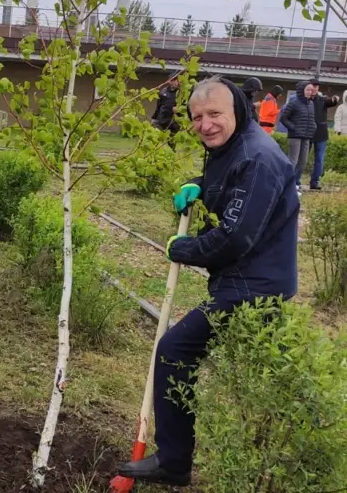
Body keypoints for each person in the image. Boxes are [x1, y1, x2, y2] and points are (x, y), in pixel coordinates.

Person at [116, 75, 299, 486]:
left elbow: (235, 237)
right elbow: (231, 186)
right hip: (247, 278)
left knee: (175, 349)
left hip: (255, 286)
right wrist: (199, 186)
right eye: (197, 117)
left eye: (214, 114)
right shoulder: (233, 146)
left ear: (237, 109)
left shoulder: (258, 159)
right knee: (253, 373)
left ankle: (174, 462)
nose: (205, 124)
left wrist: (184, 249)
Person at [279, 80, 317, 196]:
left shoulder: (311, 104)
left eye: (311, 90)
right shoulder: (294, 102)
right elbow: (283, 118)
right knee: (293, 161)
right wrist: (293, 128)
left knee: (303, 162)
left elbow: (311, 119)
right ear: (302, 90)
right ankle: (285, 185)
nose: (310, 92)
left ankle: (294, 183)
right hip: (295, 136)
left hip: (306, 136)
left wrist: (313, 127)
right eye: (308, 90)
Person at [308, 79, 340, 190]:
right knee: (302, 159)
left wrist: (335, 98)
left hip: (321, 134)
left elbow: (331, 101)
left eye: (316, 87)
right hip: (307, 133)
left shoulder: (322, 99)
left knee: (319, 159)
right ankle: (296, 181)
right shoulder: (305, 99)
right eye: (313, 86)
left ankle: (314, 182)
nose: (314, 89)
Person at [151, 74, 181, 148]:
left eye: (176, 80)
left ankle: (172, 153)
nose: (175, 82)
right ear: (169, 81)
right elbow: (158, 106)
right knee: (155, 138)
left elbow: (186, 107)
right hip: (161, 119)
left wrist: (178, 110)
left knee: (171, 142)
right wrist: (154, 118)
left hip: (173, 122)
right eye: (172, 80)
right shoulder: (163, 91)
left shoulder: (181, 93)